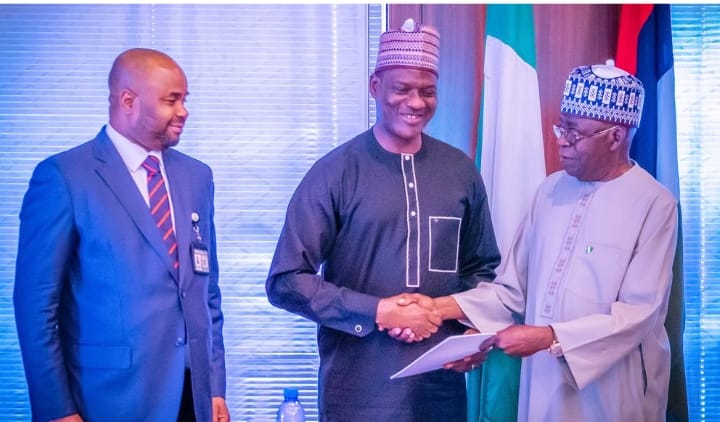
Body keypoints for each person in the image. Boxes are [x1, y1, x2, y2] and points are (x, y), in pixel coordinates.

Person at [265, 19, 500, 421]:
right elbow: (286, 281)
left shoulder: (460, 171)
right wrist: (378, 311)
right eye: (402, 89)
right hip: (358, 391)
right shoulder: (335, 172)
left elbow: (482, 270)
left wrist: (473, 333)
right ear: (375, 86)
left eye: (427, 91)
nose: (416, 102)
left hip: (440, 390)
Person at [415, 62, 678, 421]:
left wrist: (550, 336)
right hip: (541, 379)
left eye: (574, 132)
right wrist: (437, 308)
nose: (561, 140)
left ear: (615, 137)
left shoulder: (654, 204)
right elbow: (513, 292)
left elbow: (638, 314)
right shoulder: (550, 190)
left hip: (612, 388)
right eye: (561, 127)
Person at [13, 48, 230, 422]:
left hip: (191, 398)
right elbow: (35, 306)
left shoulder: (197, 176)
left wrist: (214, 388)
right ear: (128, 101)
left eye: (185, 99)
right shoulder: (64, 177)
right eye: (171, 100)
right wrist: (56, 410)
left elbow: (206, 291)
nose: (183, 111)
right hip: (108, 400)